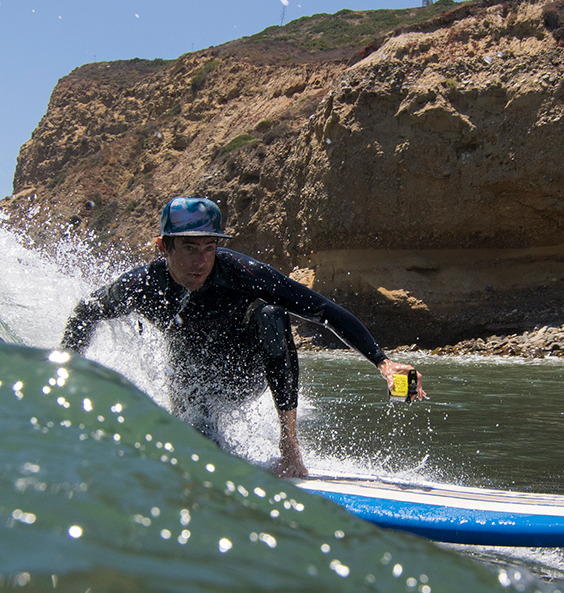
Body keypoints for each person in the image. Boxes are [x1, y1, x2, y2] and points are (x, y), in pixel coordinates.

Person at [60, 197, 425, 478]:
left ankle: (290, 446)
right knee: (202, 451)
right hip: (192, 388)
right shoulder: (143, 286)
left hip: (243, 375)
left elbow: (322, 310)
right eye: (189, 248)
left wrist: (383, 361)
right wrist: (64, 373)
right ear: (163, 247)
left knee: (272, 315)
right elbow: (85, 312)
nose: (200, 261)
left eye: (209, 247)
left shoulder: (242, 273)